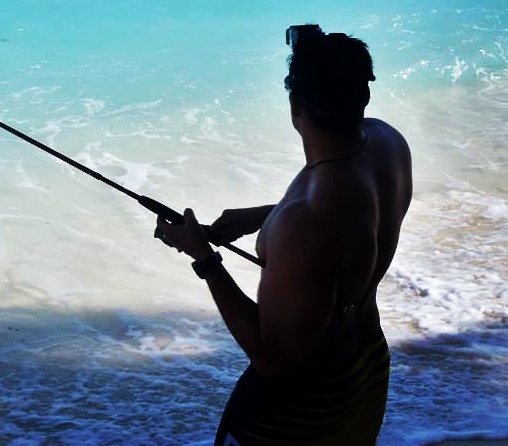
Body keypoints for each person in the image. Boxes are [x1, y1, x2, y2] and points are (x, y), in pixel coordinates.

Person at [154, 24, 412, 445]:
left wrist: (204, 258)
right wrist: (265, 216)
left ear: (295, 105)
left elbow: (272, 357)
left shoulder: (304, 222)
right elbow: (349, 217)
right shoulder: (388, 144)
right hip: (367, 370)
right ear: (364, 94)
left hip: (303, 409)